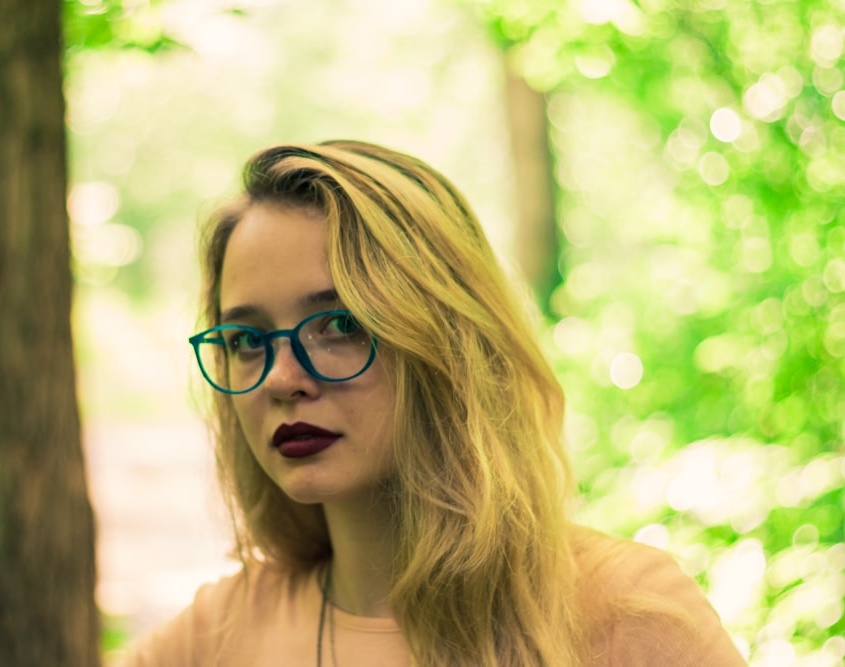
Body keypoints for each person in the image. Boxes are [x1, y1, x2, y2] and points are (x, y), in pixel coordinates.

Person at [117, 141, 747, 666]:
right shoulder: (210, 641)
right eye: (246, 340)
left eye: (339, 326)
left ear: (449, 345)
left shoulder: (630, 618)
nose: (281, 378)